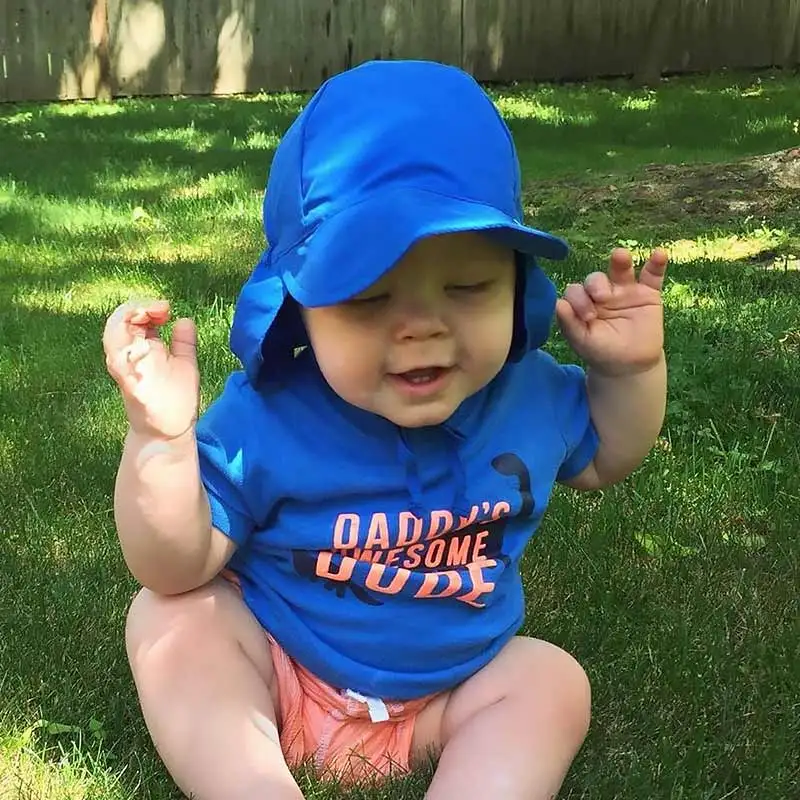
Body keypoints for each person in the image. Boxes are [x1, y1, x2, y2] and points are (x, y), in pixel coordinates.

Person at [103, 60, 668, 800]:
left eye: (467, 287)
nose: (423, 327)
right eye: (369, 299)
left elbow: (606, 457)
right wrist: (160, 441)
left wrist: (628, 376)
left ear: (516, 284)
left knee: (549, 682)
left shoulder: (527, 395)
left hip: (447, 698)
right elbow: (175, 566)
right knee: (172, 620)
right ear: (297, 309)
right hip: (281, 667)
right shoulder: (267, 416)